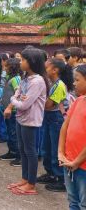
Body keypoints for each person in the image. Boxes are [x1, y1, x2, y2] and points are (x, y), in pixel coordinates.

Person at [5, 48, 48, 196]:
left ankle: (31, 184)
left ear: (32, 62)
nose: (20, 62)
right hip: (21, 118)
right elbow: (18, 94)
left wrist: (13, 100)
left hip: (31, 121)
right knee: (22, 149)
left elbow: (24, 104)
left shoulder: (37, 81)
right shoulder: (25, 78)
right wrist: (17, 98)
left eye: (23, 60)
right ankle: (25, 178)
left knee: (30, 152)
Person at [36, 58, 68, 192]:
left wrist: (34, 101)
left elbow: (49, 105)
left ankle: (61, 179)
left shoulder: (59, 85)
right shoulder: (50, 82)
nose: (44, 70)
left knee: (56, 148)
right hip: (48, 118)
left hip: (56, 119)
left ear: (55, 70)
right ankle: (50, 173)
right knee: (46, 147)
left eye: (46, 67)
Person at [58, 64, 86, 209]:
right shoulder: (79, 101)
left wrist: (76, 162)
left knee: (83, 203)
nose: (73, 83)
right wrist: (61, 153)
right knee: (72, 200)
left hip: (82, 166)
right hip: (68, 161)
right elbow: (65, 127)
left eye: (77, 80)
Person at [0, 58, 22, 166]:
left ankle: (18, 155)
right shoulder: (9, 78)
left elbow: (18, 94)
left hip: (13, 111)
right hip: (8, 111)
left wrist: (9, 107)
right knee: (10, 132)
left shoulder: (16, 79)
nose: (5, 68)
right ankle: (11, 151)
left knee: (14, 134)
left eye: (6, 66)